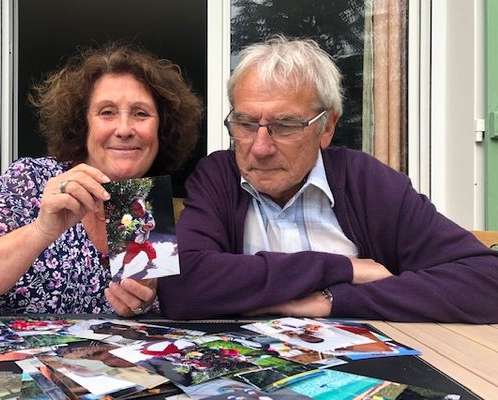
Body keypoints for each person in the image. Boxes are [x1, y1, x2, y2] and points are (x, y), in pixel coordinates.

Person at [158, 36, 498, 323]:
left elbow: (487, 281)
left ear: (328, 126)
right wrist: (342, 269)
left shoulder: (367, 182)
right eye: (246, 124)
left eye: (286, 126)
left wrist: (332, 301)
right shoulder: (219, 176)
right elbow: (180, 284)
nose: (259, 148)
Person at [0, 43, 202, 320]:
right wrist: (41, 230)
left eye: (140, 114)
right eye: (107, 112)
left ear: (161, 128)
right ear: (81, 124)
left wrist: (144, 302)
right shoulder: (29, 181)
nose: (124, 129)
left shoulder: (147, 208)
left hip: (93, 370)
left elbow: (144, 324)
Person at [116, 197, 157, 280]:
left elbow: (152, 223)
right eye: (135, 209)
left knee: (152, 252)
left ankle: (150, 262)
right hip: (135, 243)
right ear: (133, 210)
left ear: (145, 205)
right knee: (128, 256)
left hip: (144, 242)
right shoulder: (134, 219)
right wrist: (123, 227)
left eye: (140, 208)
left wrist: (151, 225)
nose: (138, 211)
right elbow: (133, 229)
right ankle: (122, 268)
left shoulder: (148, 215)